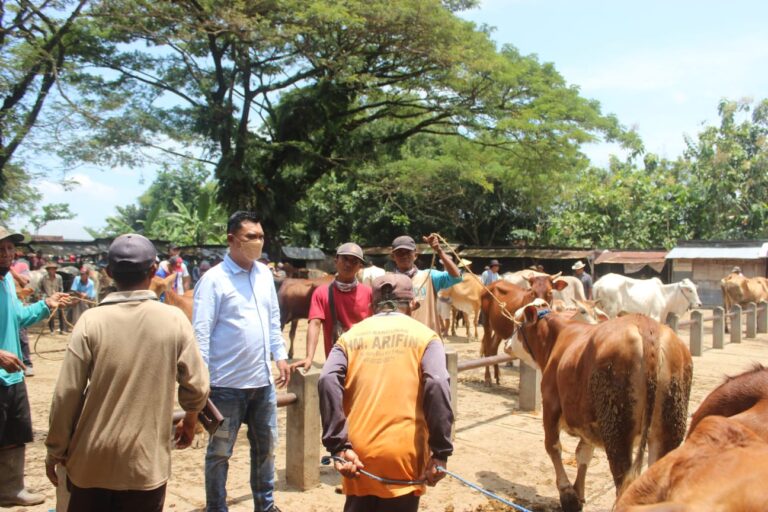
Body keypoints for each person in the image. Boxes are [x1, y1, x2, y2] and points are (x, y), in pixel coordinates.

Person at [45, 233, 209, 512]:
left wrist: (55, 450)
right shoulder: (174, 320)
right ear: (151, 270)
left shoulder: (90, 321)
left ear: (109, 273)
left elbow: (67, 394)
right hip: (144, 466)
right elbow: (198, 387)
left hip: (90, 463)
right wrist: (190, 421)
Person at [318, 274, 454, 512]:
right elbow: (438, 382)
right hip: (404, 453)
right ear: (412, 304)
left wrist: (338, 446)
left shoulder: (349, 337)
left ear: (372, 305)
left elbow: (327, 379)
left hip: (357, 454)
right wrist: (441, 450)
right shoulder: (426, 337)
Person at [193, 211, 290, 512]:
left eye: (260, 237)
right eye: (251, 237)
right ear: (231, 240)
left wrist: (281, 355)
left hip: (262, 383)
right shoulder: (213, 281)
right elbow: (201, 333)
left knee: (266, 449)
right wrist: (202, 380)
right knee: (220, 453)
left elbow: (273, 320)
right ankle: (217, 508)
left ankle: (265, 505)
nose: (258, 242)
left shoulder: (263, 275)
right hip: (225, 385)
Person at [0, 227, 68, 506]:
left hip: (11, 376)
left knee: (15, 434)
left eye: (9, 249)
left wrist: (46, 304)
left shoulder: (6, 283)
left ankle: (11, 489)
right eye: (0, 249)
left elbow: (19, 318)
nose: (6, 255)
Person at [290, 243, 372, 373]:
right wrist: (309, 357)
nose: (348, 264)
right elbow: (315, 324)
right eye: (345, 259)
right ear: (336, 261)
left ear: (359, 267)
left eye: (354, 261)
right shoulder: (321, 293)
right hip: (336, 362)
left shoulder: (369, 293)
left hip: (365, 360)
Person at [390, 234, 462, 333]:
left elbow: (456, 277)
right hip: (400, 340)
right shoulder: (387, 282)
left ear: (415, 255)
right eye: (399, 253)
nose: (404, 256)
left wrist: (439, 251)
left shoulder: (429, 276)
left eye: (408, 252)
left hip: (428, 341)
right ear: (393, 257)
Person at [37, 262, 66, 334]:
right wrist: (42, 294)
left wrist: (61, 296)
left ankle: (62, 329)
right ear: (48, 270)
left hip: (58, 297)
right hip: (49, 297)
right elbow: (39, 287)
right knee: (51, 314)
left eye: (54, 269)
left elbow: (61, 287)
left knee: (61, 313)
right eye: (50, 269)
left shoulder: (59, 277)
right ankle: (52, 330)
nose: (52, 271)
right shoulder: (44, 278)